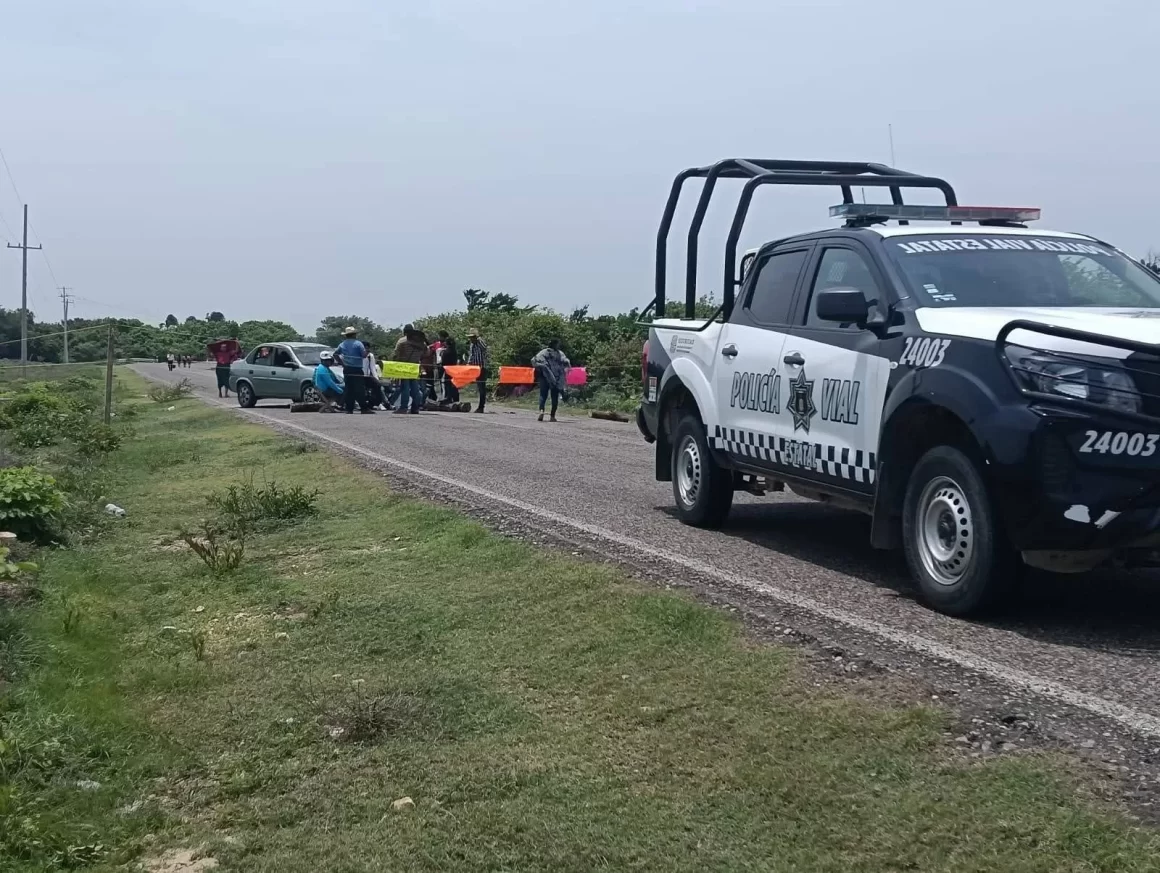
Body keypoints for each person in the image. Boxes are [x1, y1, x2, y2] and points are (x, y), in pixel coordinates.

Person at [391, 324, 428, 414]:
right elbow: (427, 353)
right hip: (415, 366)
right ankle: (415, 407)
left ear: (404, 332)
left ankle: (403, 407)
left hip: (404, 366)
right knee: (415, 388)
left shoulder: (402, 341)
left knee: (405, 387)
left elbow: (396, 354)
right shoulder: (421, 342)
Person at [335, 326, 371, 414]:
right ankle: (364, 408)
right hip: (357, 369)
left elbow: (335, 354)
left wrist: (342, 363)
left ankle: (349, 409)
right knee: (360, 389)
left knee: (349, 389)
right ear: (354, 334)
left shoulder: (342, 344)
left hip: (347, 369)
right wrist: (367, 351)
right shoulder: (358, 344)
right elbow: (364, 355)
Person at [532, 339, 570, 422]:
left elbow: (535, 360)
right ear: (554, 344)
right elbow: (565, 360)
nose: (558, 345)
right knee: (554, 397)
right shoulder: (559, 353)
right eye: (557, 344)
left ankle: (541, 411)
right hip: (555, 378)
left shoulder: (543, 352)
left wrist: (542, 366)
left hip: (544, 377)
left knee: (543, 395)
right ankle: (552, 416)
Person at [467, 328, 490, 413]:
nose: (471, 339)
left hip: (482, 367)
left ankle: (481, 406)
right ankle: (480, 406)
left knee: (482, 387)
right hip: (475, 368)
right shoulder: (472, 345)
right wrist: (468, 364)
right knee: (479, 387)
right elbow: (471, 355)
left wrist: (478, 340)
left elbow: (485, 349)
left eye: (472, 337)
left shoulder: (480, 342)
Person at [437, 330, 460, 403]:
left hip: (448, 370)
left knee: (447, 384)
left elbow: (443, 362)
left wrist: (440, 373)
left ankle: (448, 397)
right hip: (454, 369)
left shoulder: (446, 352)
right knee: (453, 385)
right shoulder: (454, 350)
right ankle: (455, 399)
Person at [362, 341, 384, 409]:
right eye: (365, 348)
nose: (366, 350)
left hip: (366, 376)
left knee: (377, 385)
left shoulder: (370, 356)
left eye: (367, 348)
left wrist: (376, 378)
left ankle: (373, 403)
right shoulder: (357, 354)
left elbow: (373, 368)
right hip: (358, 376)